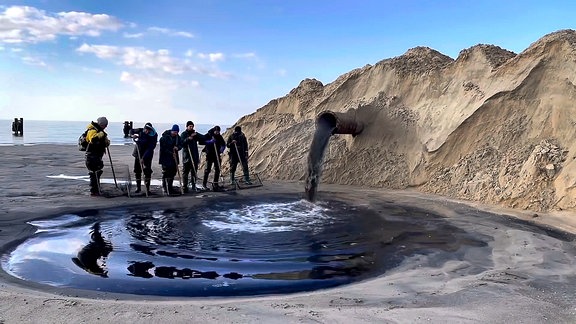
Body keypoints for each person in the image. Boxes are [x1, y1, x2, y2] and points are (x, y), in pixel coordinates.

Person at [84, 117, 110, 196]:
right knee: (94, 173)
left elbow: (104, 142)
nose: (105, 127)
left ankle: (97, 189)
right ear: (101, 124)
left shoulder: (99, 130)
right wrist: (101, 134)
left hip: (97, 155)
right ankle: (94, 191)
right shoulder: (92, 130)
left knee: (97, 172)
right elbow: (93, 139)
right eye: (104, 125)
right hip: (91, 155)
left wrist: (106, 141)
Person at [130, 122, 157, 195]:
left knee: (147, 171)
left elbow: (150, 148)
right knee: (137, 170)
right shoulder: (140, 130)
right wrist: (133, 135)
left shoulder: (154, 136)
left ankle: (147, 189)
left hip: (147, 155)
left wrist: (143, 158)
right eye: (145, 130)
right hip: (138, 152)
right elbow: (131, 130)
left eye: (148, 130)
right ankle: (138, 187)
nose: (146, 131)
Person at [180, 121, 208, 193]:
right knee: (185, 172)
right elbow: (181, 143)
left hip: (194, 155)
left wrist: (197, 134)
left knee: (194, 172)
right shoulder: (184, 134)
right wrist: (188, 139)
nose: (191, 127)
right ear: (187, 127)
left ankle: (193, 185)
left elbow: (203, 138)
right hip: (187, 156)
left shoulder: (194, 134)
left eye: (192, 126)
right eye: (190, 126)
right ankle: (185, 187)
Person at [159, 124, 183, 195]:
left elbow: (181, 145)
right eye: (174, 132)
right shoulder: (164, 137)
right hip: (165, 157)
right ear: (172, 131)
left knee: (173, 172)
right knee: (166, 172)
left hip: (174, 158)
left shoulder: (178, 137)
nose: (175, 133)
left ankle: (170, 187)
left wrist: (177, 148)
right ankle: (164, 187)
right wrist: (170, 153)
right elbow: (163, 148)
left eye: (176, 132)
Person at [202, 125, 226, 191]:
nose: (217, 133)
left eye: (218, 132)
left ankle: (215, 183)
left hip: (217, 154)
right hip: (209, 154)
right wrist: (209, 142)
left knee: (217, 169)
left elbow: (223, 144)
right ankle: (204, 184)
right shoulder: (209, 135)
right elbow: (202, 141)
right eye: (216, 132)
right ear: (214, 130)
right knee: (207, 169)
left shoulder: (219, 136)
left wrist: (222, 149)